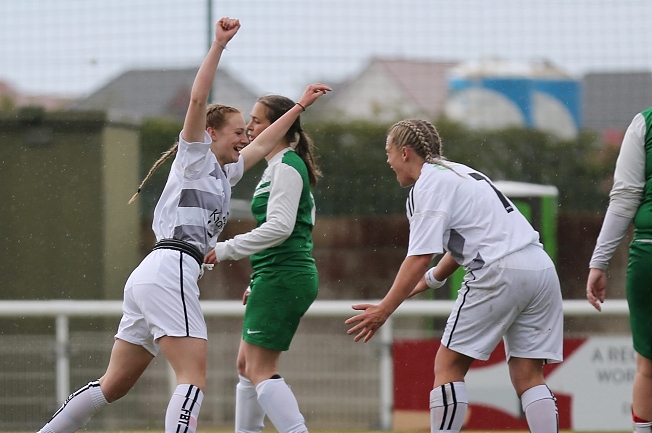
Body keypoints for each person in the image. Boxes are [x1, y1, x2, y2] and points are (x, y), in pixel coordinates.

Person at [36, 17, 330, 433]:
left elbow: (267, 142)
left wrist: (300, 107)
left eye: (246, 132)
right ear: (209, 133)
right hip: (171, 268)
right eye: (236, 132)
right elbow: (196, 101)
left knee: (114, 383)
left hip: (152, 275)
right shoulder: (195, 158)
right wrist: (218, 46)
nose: (246, 138)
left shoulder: (225, 174)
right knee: (193, 377)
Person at [345, 118, 563, 433]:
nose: (387, 160)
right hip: (540, 267)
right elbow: (468, 239)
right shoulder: (460, 172)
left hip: (498, 270)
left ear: (405, 153)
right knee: (528, 374)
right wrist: (433, 279)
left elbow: (419, 256)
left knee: (448, 366)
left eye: (388, 151)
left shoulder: (428, 185)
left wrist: (384, 309)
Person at [203, 91, 329, 433]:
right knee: (246, 366)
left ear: (279, 126)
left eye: (257, 120)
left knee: (260, 370)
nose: (249, 126)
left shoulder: (288, 166)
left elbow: (280, 228)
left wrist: (227, 249)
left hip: (285, 276)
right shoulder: (278, 166)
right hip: (274, 274)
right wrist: (257, 278)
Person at [587, 107, 652, 433]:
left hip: (649, 253)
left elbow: (625, 196)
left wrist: (599, 261)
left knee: (648, 368)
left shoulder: (645, 123)